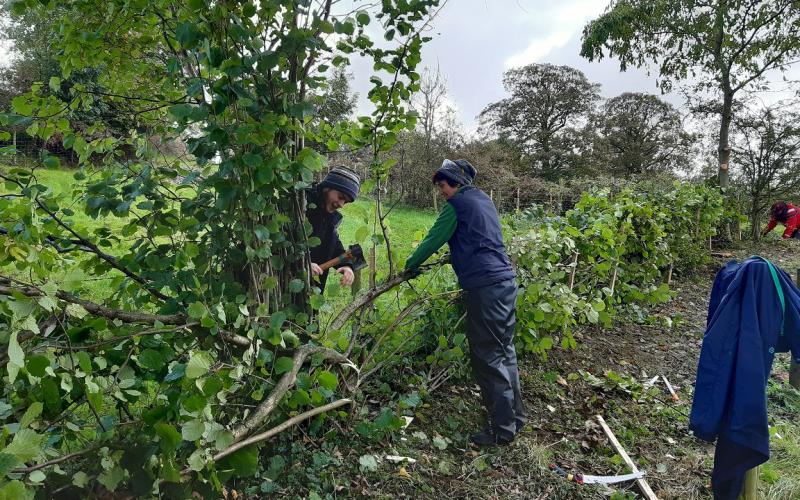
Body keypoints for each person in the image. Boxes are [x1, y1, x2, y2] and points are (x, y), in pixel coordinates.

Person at [404, 159, 526, 446]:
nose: (441, 191)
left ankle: (502, 431)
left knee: (488, 357)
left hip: (485, 287)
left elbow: (433, 239)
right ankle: (515, 418)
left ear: (455, 182)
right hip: (505, 282)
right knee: (504, 351)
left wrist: (409, 265)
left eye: (443, 185)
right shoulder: (483, 200)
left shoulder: (457, 205)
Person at [306, 166, 360, 291]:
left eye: (345, 202)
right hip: (285, 285)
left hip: (312, 288)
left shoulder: (329, 217)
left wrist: (347, 266)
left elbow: (333, 244)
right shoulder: (302, 206)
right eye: (341, 197)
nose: (341, 204)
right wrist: (304, 263)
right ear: (327, 187)